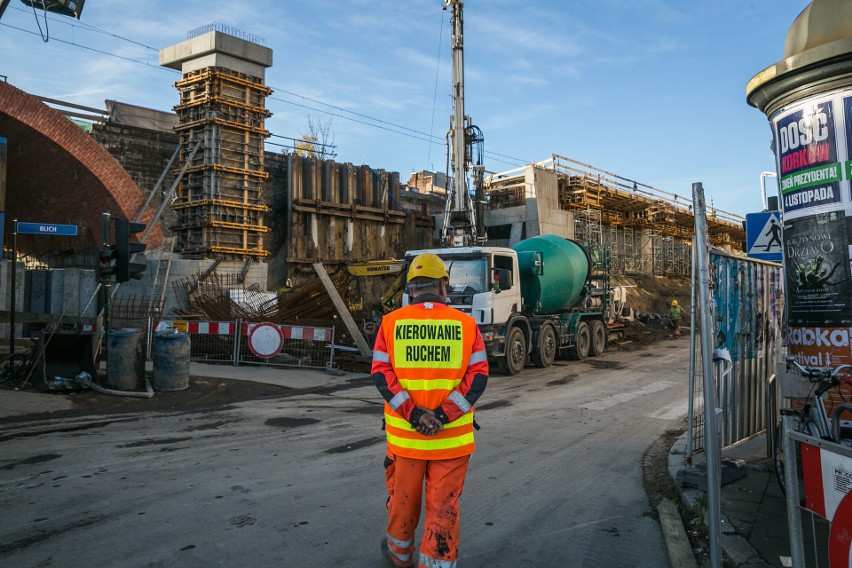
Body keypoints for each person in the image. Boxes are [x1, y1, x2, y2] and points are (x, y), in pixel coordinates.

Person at [371, 252, 489, 568]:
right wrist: (440, 417)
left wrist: (414, 415)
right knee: (443, 508)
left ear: (410, 289)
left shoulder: (391, 324)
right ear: (441, 286)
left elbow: (381, 375)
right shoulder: (466, 325)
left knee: (403, 505)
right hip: (450, 443)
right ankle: (436, 563)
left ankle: (399, 556)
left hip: (406, 442)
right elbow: (478, 378)